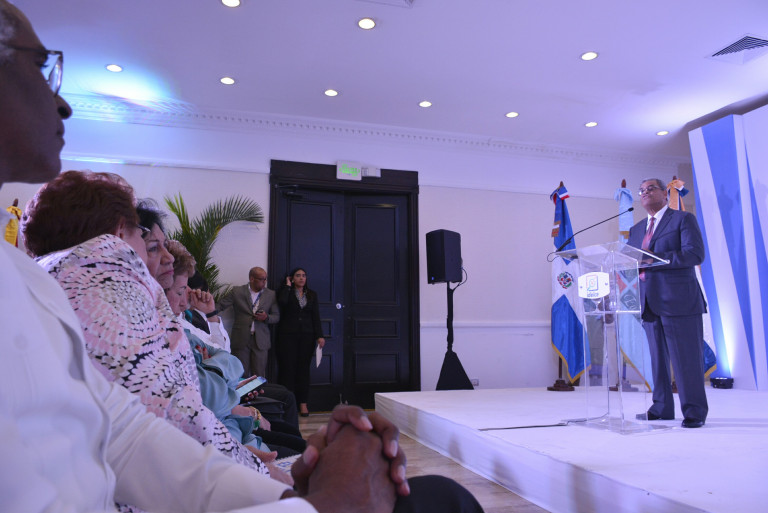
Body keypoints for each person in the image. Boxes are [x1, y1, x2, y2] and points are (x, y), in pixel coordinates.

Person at [0, 4, 482, 511]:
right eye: (40, 65)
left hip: (222, 467)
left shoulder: (28, 278)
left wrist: (293, 493)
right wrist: (319, 499)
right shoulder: (98, 269)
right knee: (445, 498)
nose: (63, 103)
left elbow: (129, 435)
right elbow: (175, 420)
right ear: (120, 236)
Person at [166, 239, 306, 458]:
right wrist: (223, 368)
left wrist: (214, 318)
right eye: (183, 291)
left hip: (258, 344)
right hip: (225, 424)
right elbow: (219, 375)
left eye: (265, 278)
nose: (264, 282)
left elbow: (227, 359)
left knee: (254, 379)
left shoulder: (269, 295)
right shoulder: (176, 329)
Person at [629, 178, 708, 428]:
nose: (645, 192)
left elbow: (694, 254)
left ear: (665, 193)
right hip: (649, 302)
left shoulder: (683, 219)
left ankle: (694, 412)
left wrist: (654, 259)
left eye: (650, 188)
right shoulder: (637, 229)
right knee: (657, 360)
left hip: (680, 301)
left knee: (686, 360)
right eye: (641, 190)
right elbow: (630, 261)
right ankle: (661, 407)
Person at [277, 267, 325, 417]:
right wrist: (287, 286)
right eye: (298, 275)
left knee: (303, 370)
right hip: (288, 336)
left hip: (307, 336)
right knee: (288, 369)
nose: (301, 278)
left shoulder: (312, 294)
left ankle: (303, 403)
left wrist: (320, 336)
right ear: (292, 278)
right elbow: (282, 302)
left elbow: (315, 316)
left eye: (304, 275)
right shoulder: (286, 292)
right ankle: (287, 404)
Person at [218, 266, 280, 377]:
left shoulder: (271, 294)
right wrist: (204, 312)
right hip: (241, 339)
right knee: (240, 373)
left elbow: (276, 316)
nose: (264, 282)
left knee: (259, 375)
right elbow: (221, 305)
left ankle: (259, 390)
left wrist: (266, 317)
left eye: (265, 279)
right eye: (261, 279)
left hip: (261, 341)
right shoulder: (237, 292)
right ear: (252, 279)